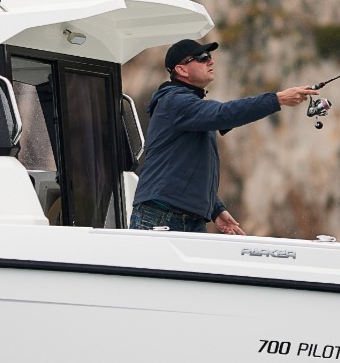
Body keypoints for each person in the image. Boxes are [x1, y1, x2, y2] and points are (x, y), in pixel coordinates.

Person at [131, 39, 317, 234]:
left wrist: (216, 209)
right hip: (161, 214)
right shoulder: (175, 101)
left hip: (188, 217)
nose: (210, 61)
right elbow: (223, 113)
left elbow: (188, 167)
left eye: (209, 57)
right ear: (182, 70)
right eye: (202, 58)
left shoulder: (189, 106)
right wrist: (277, 99)